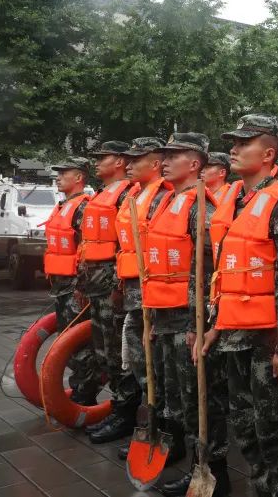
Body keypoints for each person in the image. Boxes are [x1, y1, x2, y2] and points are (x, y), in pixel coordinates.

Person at [198, 114, 278, 497]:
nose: (234, 150)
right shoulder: (232, 199)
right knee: (245, 427)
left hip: (266, 339)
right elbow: (224, 274)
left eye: (244, 143)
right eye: (233, 143)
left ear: (269, 153)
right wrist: (213, 325)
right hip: (233, 333)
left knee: (273, 429)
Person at [149, 133, 230, 497]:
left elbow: (208, 269)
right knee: (179, 397)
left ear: (195, 163)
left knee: (200, 400)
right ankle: (192, 462)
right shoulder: (167, 200)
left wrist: (201, 323)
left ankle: (214, 473)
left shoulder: (201, 207)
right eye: (163, 155)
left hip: (189, 318)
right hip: (166, 313)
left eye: (174, 155)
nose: (164, 161)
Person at [92, 138, 174, 448]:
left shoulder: (163, 198)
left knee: (154, 364)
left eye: (136, 159)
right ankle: (136, 418)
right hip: (131, 288)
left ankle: (162, 429)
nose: (128, 164)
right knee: (136, 362)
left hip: (153, 293)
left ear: (154, 163)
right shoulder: (135, 195)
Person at [79, 142, 142, 443]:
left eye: (102, 158)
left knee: (119, 353)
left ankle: (125, 414)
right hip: (95, 281)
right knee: (104, 350)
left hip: (113, 283)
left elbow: (126, 242)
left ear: (118, 161)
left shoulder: (128, 195)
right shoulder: (100, 195)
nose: (97, 163)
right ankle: (118, 407)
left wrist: (119, 284)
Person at [43, 157, 101, 407]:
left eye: (63, 173)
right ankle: (79, 387)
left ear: (79, 178)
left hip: (74, 286)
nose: (58, 177)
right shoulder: (62, 205)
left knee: (80, 347)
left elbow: (87, 250)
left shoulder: (82, 208)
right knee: (65, 340)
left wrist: (82, 286)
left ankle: (84, 394)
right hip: (60, 285)